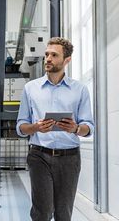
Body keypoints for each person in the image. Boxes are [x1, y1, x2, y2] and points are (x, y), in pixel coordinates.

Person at [16, 37, 94, 221]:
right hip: (39, 156)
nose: (48, 59)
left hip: (70, 158)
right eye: (46, 54)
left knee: (63, 214)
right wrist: (36, 127)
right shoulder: (30, 89)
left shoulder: (80, 90)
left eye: (54, 55)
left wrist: (75, 128)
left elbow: (89, 128)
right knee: (42, 212)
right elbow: (21, 126)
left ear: (66, 60)